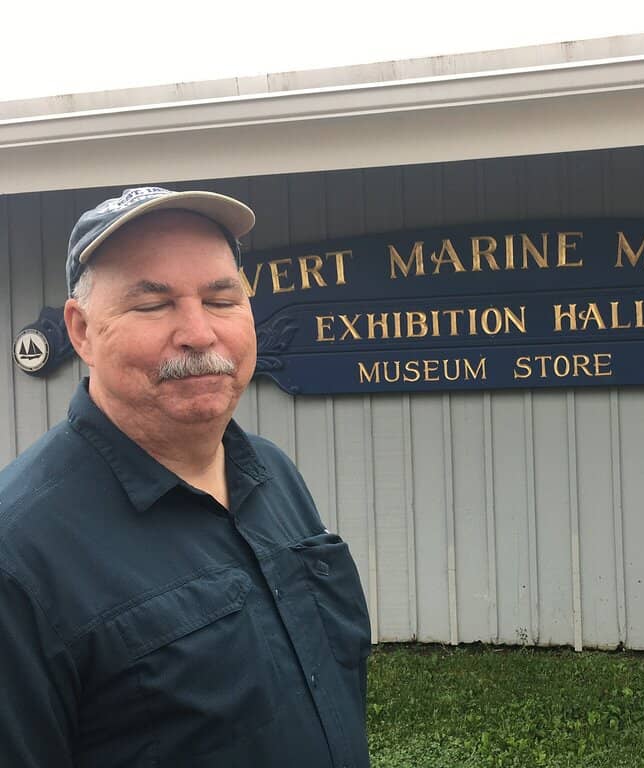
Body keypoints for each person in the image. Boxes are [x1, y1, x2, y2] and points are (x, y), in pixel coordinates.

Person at [0, 187, 371, 768]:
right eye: (153, 305)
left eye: (222, 299)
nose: (199, 333)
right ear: (80, 331)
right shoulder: (18, 554)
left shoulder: (272, 473)